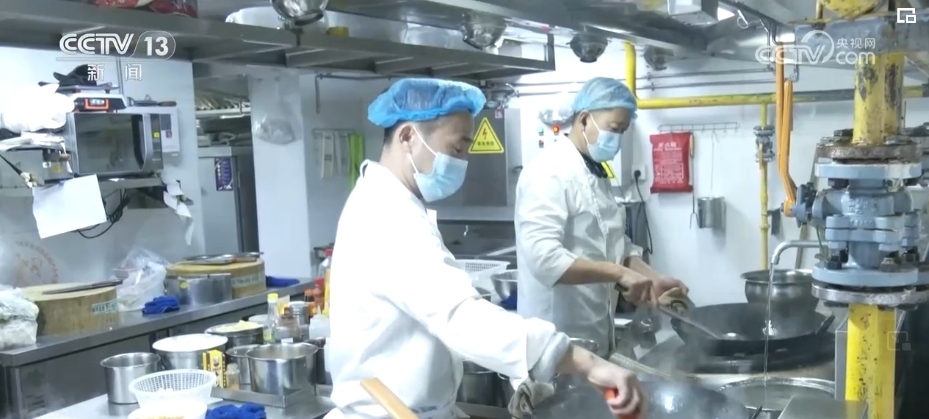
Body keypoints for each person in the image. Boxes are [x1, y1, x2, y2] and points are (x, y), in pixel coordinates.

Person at [324, 78, 645, 419]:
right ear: (407, 137)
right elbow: (459, 315)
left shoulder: (391, 201)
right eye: (457, 148)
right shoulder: (386, 215)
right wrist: (583, 361)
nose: (463, 162)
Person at [515, 77, 690, 358]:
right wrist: (618, 273)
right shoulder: (547, 172)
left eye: (623, 131)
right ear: (584, 119)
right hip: (554, 336)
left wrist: (652, 278)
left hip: (594, 331)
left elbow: (616, 246)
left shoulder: (596, 173)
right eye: (613, 128)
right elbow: (544, 260)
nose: (617, 139)